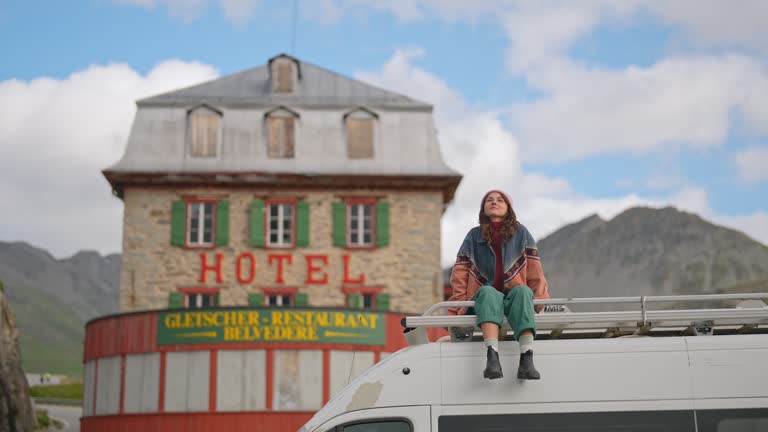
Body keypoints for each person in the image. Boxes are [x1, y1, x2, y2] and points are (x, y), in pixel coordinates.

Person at [448, 190, 550, 380]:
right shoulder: (473, 235)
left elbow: (535, 269)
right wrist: (459, 304)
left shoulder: (522, 233)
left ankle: (527, 358)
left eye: (500, 199)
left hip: (514, 297)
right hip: (482, 297)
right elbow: (460, 273)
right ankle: (492, 357)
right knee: (488, 292)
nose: (494, 202)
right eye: (489, 200)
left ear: (508, 207)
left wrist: (540, 298)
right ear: (483, 208)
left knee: (522, 291)